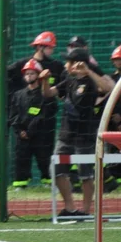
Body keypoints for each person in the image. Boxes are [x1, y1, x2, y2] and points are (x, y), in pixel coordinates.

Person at [48, 47, 108, 217]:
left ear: (77, 64)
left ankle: (87, 211)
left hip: (85, 135)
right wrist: (44, 81)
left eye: (69, 61)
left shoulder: (91, 81)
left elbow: (107, 87)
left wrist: (88, 71)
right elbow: (48, 93)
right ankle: (70, 208)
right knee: (57, 170)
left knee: (86, 174)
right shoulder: (68, 80)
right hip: (66, 134)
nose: (66, 64)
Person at [10, 58, 57, 190]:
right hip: (22, 136)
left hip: (41, 136)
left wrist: (30, 131)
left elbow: (46, 114)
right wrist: (19, 131)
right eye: (26, 73)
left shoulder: (46, 94)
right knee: (21, 159)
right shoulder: (18, 95)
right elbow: (13, 115)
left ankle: (48, 182)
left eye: (32, 73)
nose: (29, 76)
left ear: (38, 75)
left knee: (44, 159)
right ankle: (20, 184)